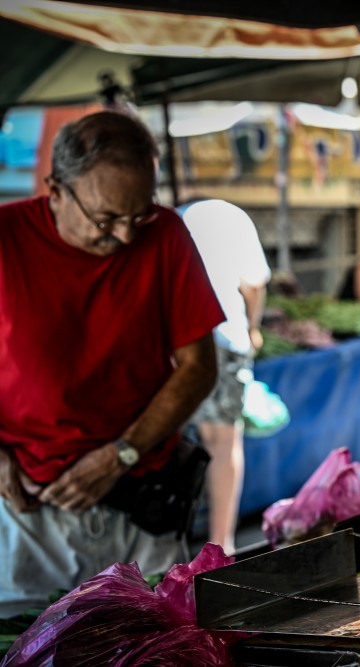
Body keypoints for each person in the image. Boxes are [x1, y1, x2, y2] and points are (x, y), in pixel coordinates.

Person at [0, 111, 223, 617]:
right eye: (106, 219)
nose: (125, 236)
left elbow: (197, 366)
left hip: (140, 505)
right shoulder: (6, 238)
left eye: (137, 215)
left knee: (159, 643)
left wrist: (121, 453)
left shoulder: (164, 234)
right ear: (56, 190)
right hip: (26, 516)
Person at [181, 198, 272, 555]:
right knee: (222, 443)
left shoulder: (177, 218)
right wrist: (252, 327)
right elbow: (254, 285)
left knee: (179, 442)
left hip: (179, 339)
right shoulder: (234, 218)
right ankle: (222, 546)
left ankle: (182, 546)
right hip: (222, 338)